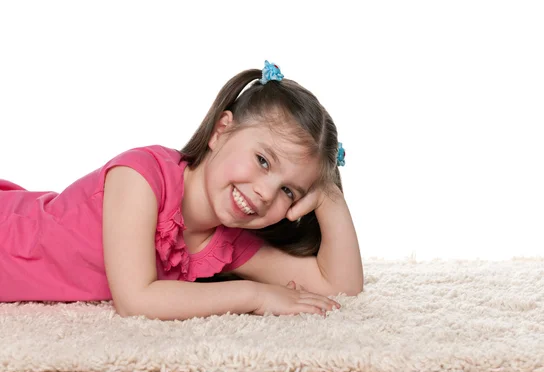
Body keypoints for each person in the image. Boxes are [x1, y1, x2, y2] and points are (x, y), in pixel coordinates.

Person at [0, 60, 364, 321]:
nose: (266, 194)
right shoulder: (141, 176)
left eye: (289, 190)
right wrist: (255, 294)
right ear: (221, 130)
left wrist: (331, 198)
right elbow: (136, 299)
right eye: (263, 161)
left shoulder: (226, 243)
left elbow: (340, 288)